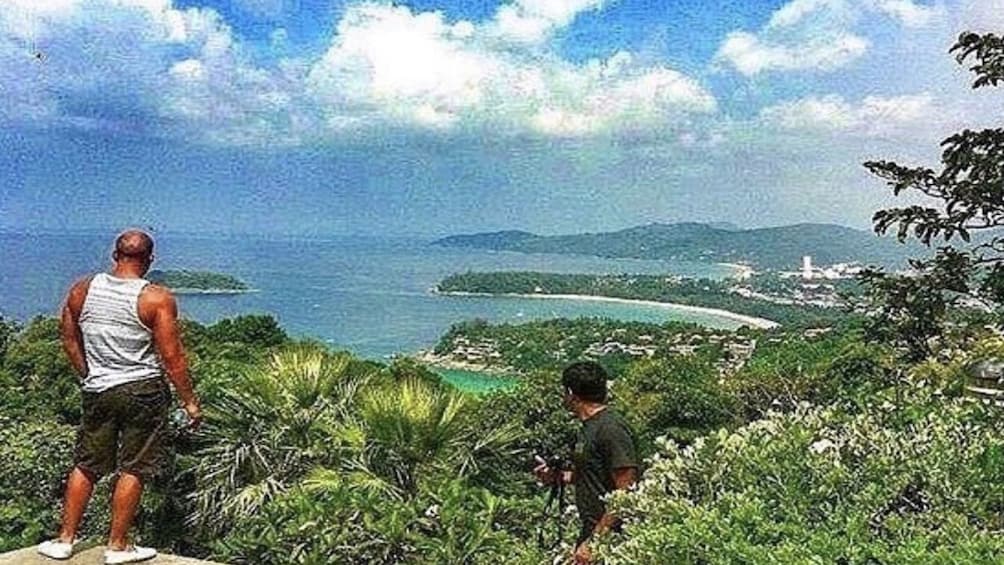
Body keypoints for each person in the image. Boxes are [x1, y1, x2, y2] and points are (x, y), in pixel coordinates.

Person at [37, 229, 202, 564]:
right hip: (143, 390)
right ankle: (118, 546)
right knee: (135, 466)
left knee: (86, 463)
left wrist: (90, 374)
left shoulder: (82, 289)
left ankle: (64, 540)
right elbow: (172, 357)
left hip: (98, 389)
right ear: (150, 259)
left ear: (115, 255)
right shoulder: (156, 298)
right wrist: (189, 401)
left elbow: (69, 339)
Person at [534, 361, 639, 565]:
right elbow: (590, 476)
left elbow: (627, 490)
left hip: (614, 537)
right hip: (592, 530)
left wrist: (596, 540)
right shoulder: (588, 428)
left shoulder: (610, 429)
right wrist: (556, 477)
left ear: (571, 394)